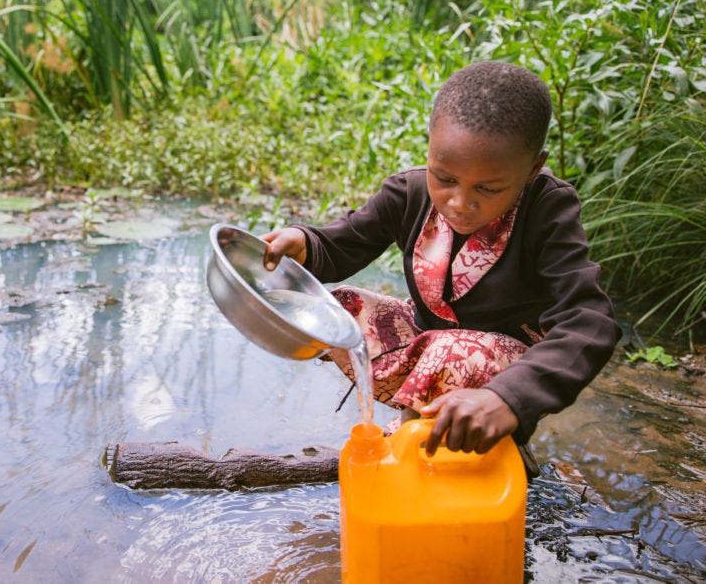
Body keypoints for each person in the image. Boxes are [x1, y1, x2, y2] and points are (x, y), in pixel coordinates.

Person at [261, 61, 620, 463]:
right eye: (444, 178)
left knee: (450, 351)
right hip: (432, 343)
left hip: (503, 363)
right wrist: (304, 242)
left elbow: (590, 320)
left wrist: (508, 399)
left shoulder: (546, 208)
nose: (459, 202)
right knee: (341, 308)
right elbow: (346, 241)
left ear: (533, 168)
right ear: (430, 146)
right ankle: (423, 426)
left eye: (488, 188)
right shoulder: (408, 192)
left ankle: (420, 445)